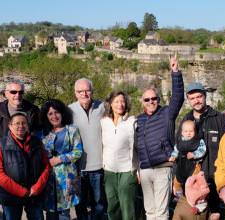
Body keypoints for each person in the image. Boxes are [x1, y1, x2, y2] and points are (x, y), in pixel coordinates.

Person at [135, 55, 184, 220]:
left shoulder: (166, 114)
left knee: (162, 212)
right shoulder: (139, 119)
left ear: (158, 100)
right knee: (150, 211)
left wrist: (175, 72)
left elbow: (177, 98)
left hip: (163, 168)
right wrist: (138, 168)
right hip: (145, 170)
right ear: (142, 102)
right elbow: (137, 145)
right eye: (147, 99)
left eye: (154, 98)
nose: (151, 102)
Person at [179, 82, 225, 218]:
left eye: (199, 96)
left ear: (205, 96)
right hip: (192, 182)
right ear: (188, 100)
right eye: (192, 98)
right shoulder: (186, 120)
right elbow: (179, 150)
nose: (196, 100)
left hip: (214, 180)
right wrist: (177, 179)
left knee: (215, 216)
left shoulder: (220, 119)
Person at [0, 111, 50, 220]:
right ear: (9, 125)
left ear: (27, 125)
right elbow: (0, 174)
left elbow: (46, 166)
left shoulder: (37, 143)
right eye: (17, 123)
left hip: (34, 194)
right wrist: (22, 192)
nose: (20, 126)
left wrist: (37, 188)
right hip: (10, 196)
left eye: (24, 123)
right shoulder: (1, 145)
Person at [40, 99, 83, 220]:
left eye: (57, 112)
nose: (54, 116)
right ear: (46, 116)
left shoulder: (72, 130)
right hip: (48, 179)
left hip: (67, 178)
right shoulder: (43, 133)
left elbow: (78, 151)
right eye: (50, 113)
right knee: (50, 213)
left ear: (62, 113)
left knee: (64, 213)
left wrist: (60, 159)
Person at [69, 78, 105, 220]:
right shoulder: (69, 111)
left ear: (92, 91)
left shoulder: (103, 107)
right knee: (81, 205)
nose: (84, 94)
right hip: (78, 168)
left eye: (87, 90)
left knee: (99, 205)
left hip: (98, 166)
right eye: (80, 91)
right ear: (75, 93)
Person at [101, 91, 138, 220]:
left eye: (122, 101)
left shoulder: (132, 121)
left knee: (127, 207)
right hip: (109, 170)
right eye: (116, 101)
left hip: (127, 170)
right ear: (110, 104)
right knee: (112, 206)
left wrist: (137, 169)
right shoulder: (104, 122)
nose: (120, 104)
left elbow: (137, 146)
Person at [170, 120, 208, 219]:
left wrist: (194, 154)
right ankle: (179, 196)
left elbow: (203, 150)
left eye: (191, 131)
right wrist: (173, 156)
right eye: (186, 131)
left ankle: (196, 202)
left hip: (194, 166)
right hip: (182, 166)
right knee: (177, 181)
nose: (188, 133)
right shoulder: (179, 141)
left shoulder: (198, 141)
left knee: (194, 184)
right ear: (182, 132)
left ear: (195, 132)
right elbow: (176, 150)